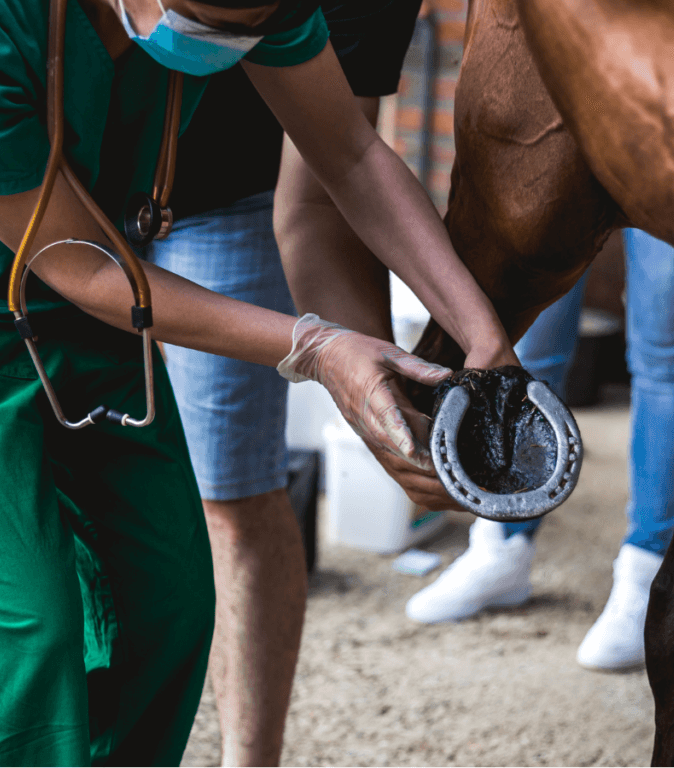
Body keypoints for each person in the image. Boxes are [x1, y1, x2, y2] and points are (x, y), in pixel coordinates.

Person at [0, 0, 518, 763]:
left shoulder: (253, 5)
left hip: (98, 271)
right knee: (19, 628)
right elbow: (76, 265)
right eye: (204, 18)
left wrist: (484, 336)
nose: (228, 43)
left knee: (167, 604)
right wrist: (316, 346)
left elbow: (348, 154)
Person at [142, 2, 422, 764]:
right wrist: (321, 348)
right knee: (77, 483)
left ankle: (250, 758)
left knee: (233, 491)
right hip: (76, 189)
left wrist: (388, 389)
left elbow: (334, 178)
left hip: (231, 196)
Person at [404, 230, 674, 671]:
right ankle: (502, 549)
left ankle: (649, 576)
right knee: (528, 344)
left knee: (667, 354)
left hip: (670, 162)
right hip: (569, 160)